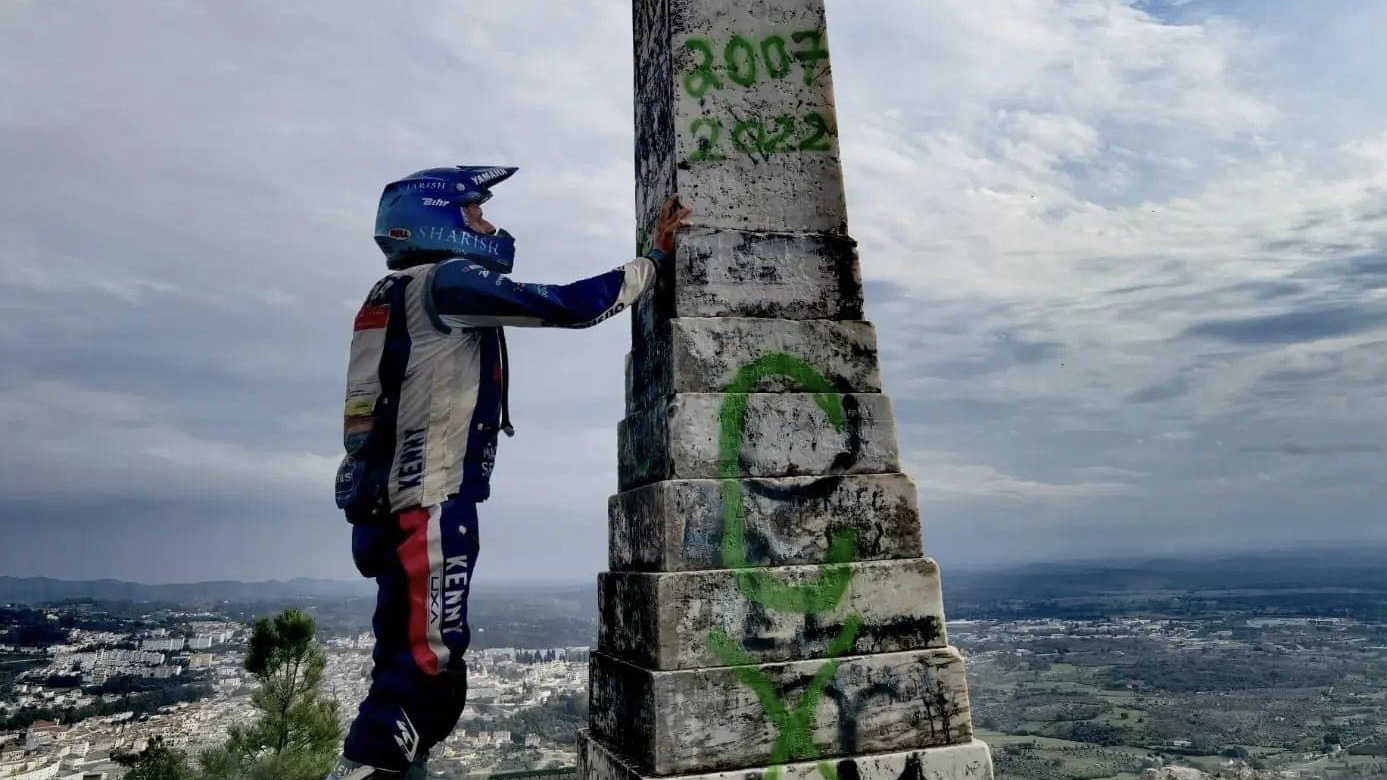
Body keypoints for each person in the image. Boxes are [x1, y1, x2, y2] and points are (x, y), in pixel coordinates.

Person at [327, 166, 691, 779]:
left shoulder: (389, 294)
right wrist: (651, 261)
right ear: (436, 221)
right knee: (423, 683)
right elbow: (563, 306)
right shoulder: (445, 284)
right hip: (428, 504)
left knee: (408, 665)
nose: (489, 225)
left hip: (386, 506)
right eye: (473, 213)